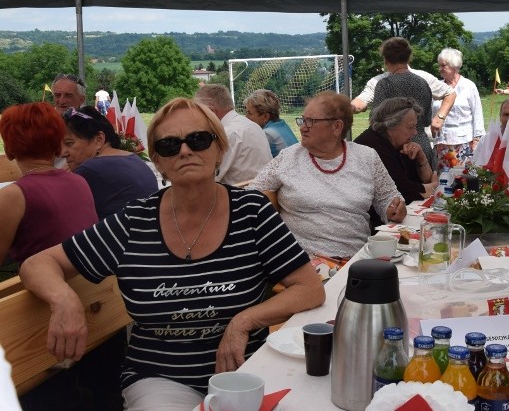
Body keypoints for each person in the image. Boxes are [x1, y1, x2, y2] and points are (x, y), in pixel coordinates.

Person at [19, 97, 325, 411]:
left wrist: (243, 322)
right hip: (160, 379)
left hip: (245, 372)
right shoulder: (135, 221)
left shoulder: (251, 212)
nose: (184, 151)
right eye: (168, 146)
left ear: (219, 148)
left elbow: (309, 288)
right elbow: (38, 263)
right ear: (157, 161)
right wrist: (64, 299)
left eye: (198, 139)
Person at [251, 92, 407, 261]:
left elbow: (389, 198)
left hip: (354, 260)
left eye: (311, 121)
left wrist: (394, 208)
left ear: (337, 127)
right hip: (302, 263)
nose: (302, 127)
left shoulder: (366, 157)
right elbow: (252, 195)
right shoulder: (288, 157)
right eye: (303, 120)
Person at [0, 102, 98, 264]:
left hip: (41, 285)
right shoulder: (79, 182)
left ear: (9, 151)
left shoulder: (14, 195)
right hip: (89, 283)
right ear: (58, 147)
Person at [62, 105, 158, 220]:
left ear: (98, 139)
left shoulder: (89, 170)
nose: (63, 153)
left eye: (69, 143)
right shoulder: (134, 159)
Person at [350, 39, 456, 136]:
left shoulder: (380, 82)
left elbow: (450, 93)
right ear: (409, 58)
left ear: (385, 60)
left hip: (393, 142)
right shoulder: (423, 78)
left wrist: (440, 117)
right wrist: (440, 118)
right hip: (416, 139)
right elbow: (450, 93)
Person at [354, 97, 438, 204]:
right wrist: (434, 186)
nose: (415, 132)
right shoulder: (373, 146)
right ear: (390, 128)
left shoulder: (398, 144)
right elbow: (405, 191)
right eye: (411, 127)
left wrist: (421, 159)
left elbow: (425, 181)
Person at [371, 38, 440, 168]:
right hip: (421, 146)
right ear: (408, 58)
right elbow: (426, 121)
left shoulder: (385, 84)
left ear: (386, 60)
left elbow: (375, 122)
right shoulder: (423, 83)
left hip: (395, 150)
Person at [195, 84, 272, 186]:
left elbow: (207, 179)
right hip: (262, 194)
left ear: (211, 111)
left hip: (240, 197)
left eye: (198, 112)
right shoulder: (254, 126)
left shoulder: (227, 134)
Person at [432, 48, 485, 169]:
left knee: (461, 179)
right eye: (439, 65)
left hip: (463, 143)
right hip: (441, 143)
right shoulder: (438, 86)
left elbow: (477, 114)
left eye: (443, 65)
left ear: (454, 66)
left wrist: (477, 139)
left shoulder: (468, 86)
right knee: (442, 181)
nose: (439, 69)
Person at [243, 89, 298, 157]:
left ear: (266, 116)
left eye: (249, 113)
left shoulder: (267, 134)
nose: (246, 117)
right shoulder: (283, 125)